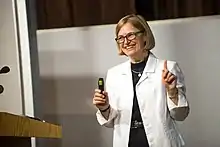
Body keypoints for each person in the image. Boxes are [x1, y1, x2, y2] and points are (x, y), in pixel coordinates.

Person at [92, 14, 190, 147]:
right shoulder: (114, 74)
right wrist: (104, 108)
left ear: (145, 36)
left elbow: (180, 115)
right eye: (121, 38)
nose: (126, 41)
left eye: (131, 35)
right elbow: (110, 122)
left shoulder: (167, 68)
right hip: (127, 142)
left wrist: (172, 92)